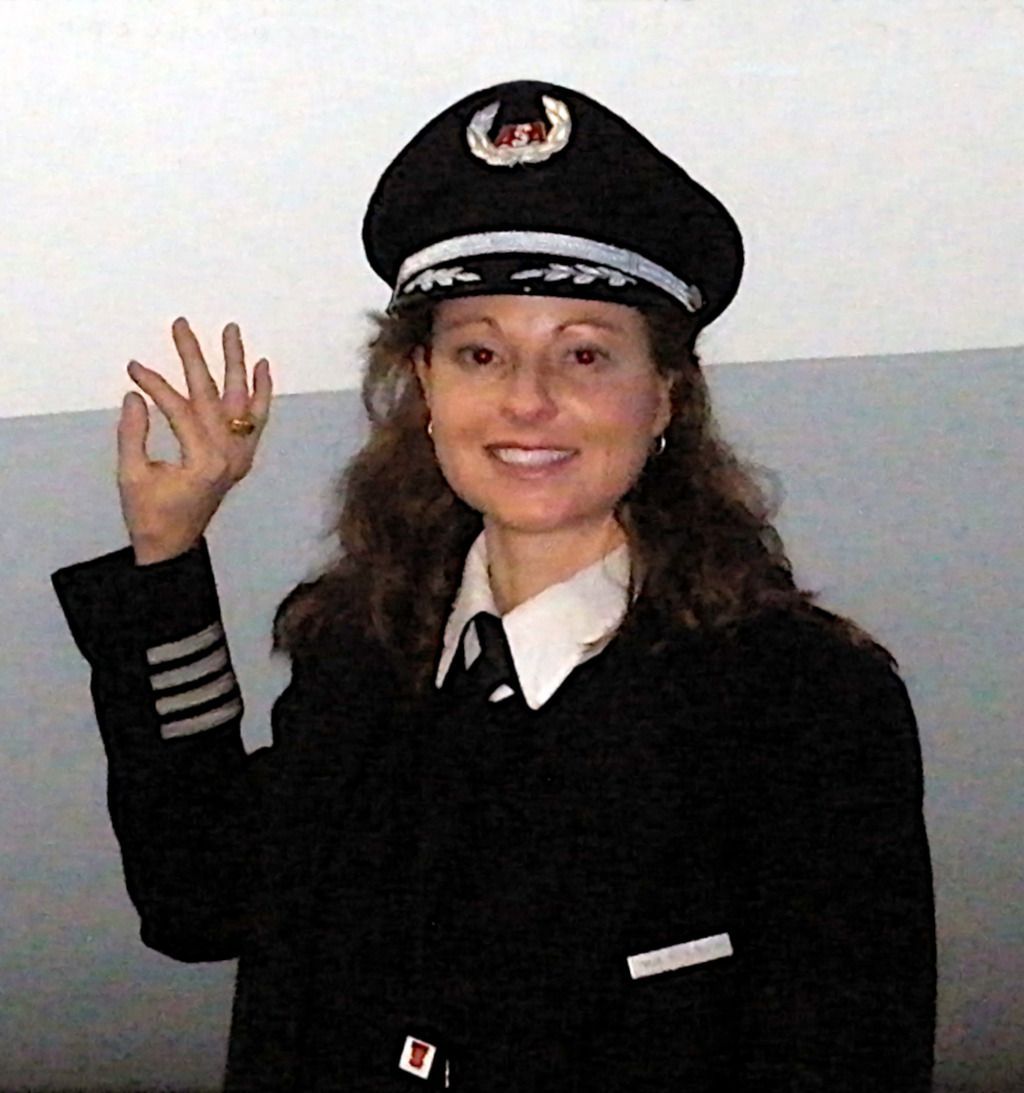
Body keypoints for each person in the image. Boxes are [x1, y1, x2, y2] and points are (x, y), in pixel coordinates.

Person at [52, 80, 936, 1091]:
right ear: (423, 386)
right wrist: (167, 555)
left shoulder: (806, 703)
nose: (525, 399)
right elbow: (197, 900)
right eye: (479, 351)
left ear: (665, 396)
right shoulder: (365, 652)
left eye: (585, 354)